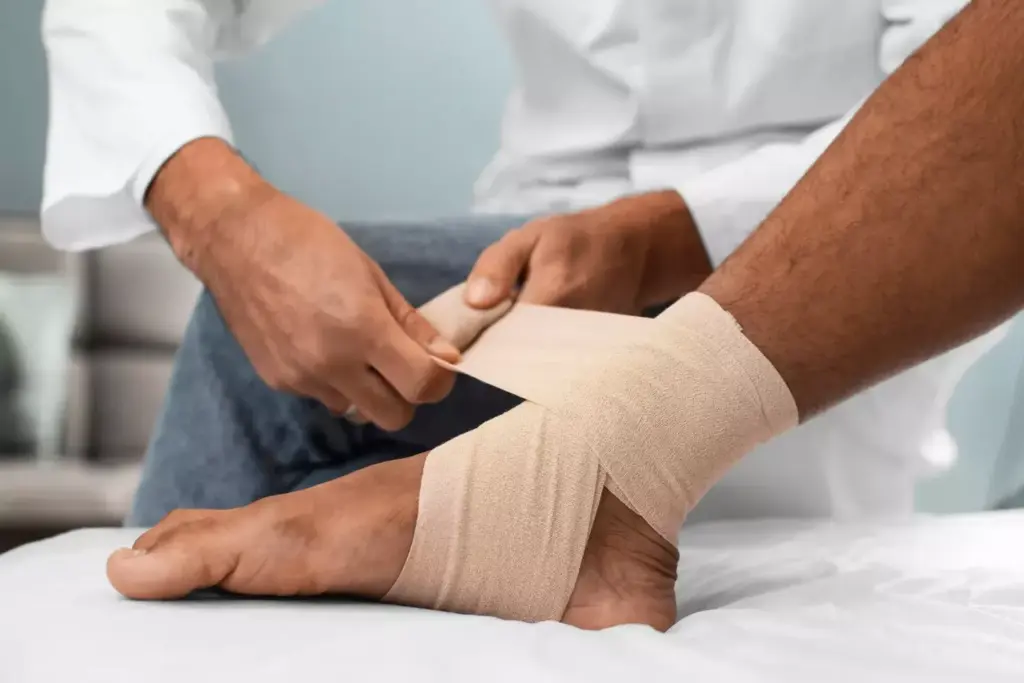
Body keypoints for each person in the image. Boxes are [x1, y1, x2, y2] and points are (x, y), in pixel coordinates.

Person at [102, 0, 1024, 631]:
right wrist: (214, 212)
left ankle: (594, 487)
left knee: (265, 396)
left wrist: (671, 230)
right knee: (264, 354)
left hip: (821, 241)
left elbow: (975, 112)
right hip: (536, 251)